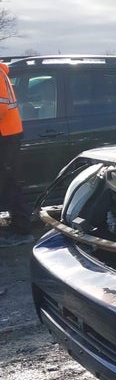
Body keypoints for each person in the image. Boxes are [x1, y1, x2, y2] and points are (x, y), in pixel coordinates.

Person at [0, 61, 33, 247]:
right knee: (8, 181)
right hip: (7, 134)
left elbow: (1, 107)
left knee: (10, 182)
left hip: (6, 135)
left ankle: (22, 231)